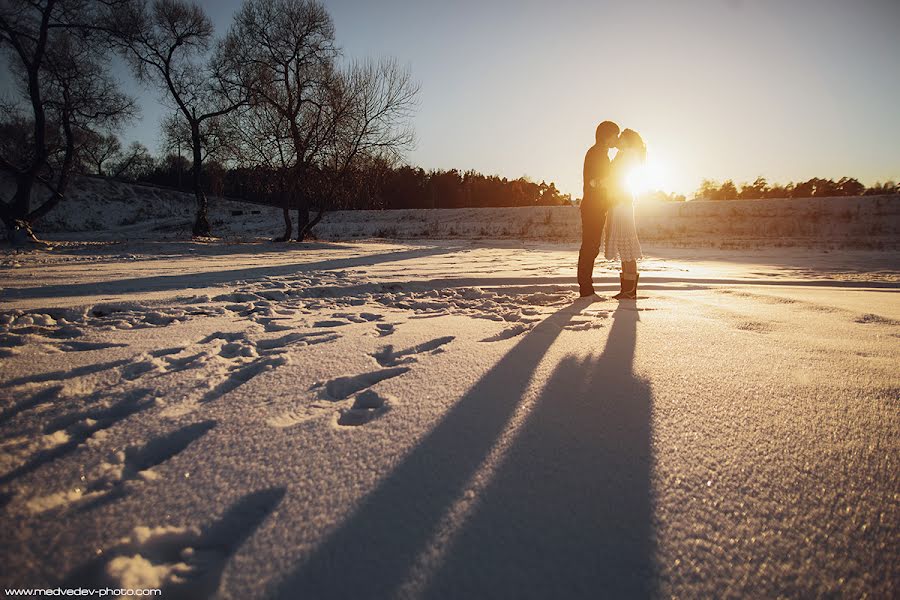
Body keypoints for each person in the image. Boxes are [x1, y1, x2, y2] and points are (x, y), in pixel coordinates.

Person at [577, 121, 620, 297]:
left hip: (596, 206)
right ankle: (586, 290)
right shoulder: (597, 154)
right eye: (614, 135)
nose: (616, 139)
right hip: (592, 207)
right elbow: (596, 181)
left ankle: (586, 288)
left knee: (592, 246)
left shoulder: (601, 154)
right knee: (590, 246)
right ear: (606, 135)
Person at [604, 128, 645, 299]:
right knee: (623, 245)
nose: (618, 140)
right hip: (620, 202)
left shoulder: (627, 154)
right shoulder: (626, 154)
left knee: (626, 243)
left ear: (628, 141)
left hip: (622, 203)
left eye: (621, 138)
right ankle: (627, 290)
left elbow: (618, 177)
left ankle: (629, 291)